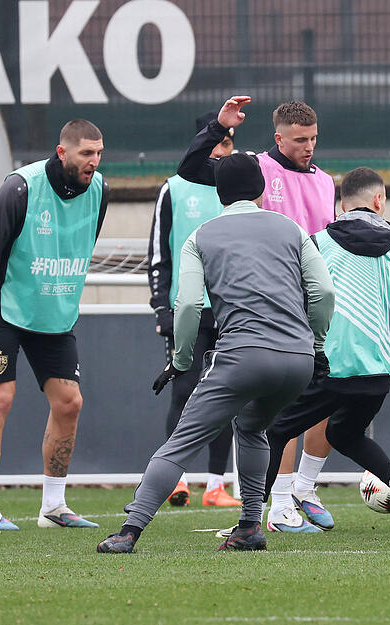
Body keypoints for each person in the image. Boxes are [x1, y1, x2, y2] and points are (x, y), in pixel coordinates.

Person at [97, 152, 335, 553]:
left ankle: (129, 530)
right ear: (260, 189)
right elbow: (324, 293)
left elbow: (188, 306)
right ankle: (249, 526)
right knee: (253, 426)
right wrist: (315, 345)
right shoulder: (292, 229)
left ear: (219, 194)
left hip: (242, 356)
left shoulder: (201, 236)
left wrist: (181, 361)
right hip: (297, 361)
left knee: (180, 443)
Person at [177, 95, 338, 532]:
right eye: (300, 139)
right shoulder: (256, 168)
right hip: (269, 305)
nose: (309, 147)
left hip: (315, 302)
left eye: (314, 139)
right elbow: (191, 169)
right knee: (276, 410)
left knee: (323, 400)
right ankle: (278, 502)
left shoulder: (326, 181)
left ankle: (301, 489)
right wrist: (218, 127)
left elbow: (328, 241)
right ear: (278, 138)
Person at [263, 167, 390, 537]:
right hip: (377, 377)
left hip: (326, 369)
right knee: (346, 433)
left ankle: (270, 512)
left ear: (340, 206)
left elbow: (290, 299)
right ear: (380, 201)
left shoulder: (315, 242)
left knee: (271, 428)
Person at [0, 120, 108, 530]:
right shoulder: (20, 188)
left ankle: (53, 508)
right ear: (62, 153)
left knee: (69, 403)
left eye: (98, 153)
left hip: (53, 315)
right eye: (85, 154)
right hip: (6, 310)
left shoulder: (101, 191)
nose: (93, 161)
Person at [147, 111, 241, 508]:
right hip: (188, 308)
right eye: (218, 140)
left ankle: (216, 485)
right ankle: (177, 478)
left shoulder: (236, 185)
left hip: (231, 308)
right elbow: (158, 252)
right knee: (183, 392)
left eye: (229, 141)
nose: (224, 147)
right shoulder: (174, 187)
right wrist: (160, 306)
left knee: (227, 395)